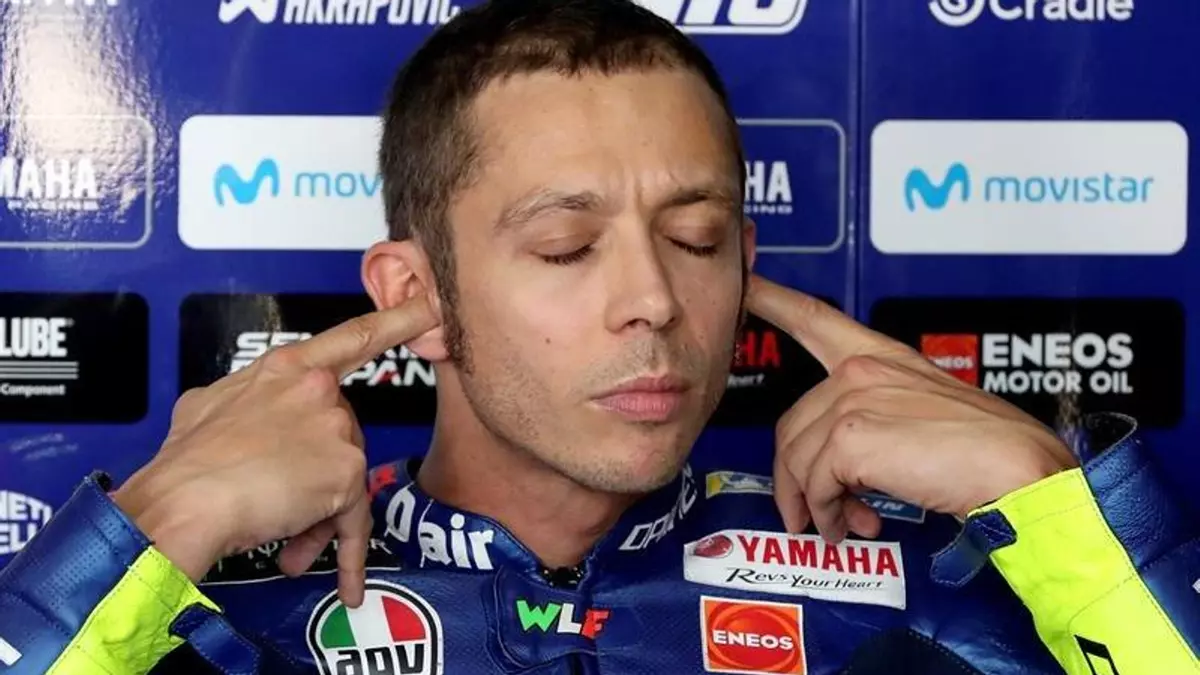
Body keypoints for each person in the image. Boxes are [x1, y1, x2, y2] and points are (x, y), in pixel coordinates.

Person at [0, 1, 1196, 673]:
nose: (656, 301)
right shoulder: (219, 611)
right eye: (567, 247)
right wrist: (149, 533)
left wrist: (1064, 513)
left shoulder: (914, 591)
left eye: (696, 237)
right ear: (416, 291)